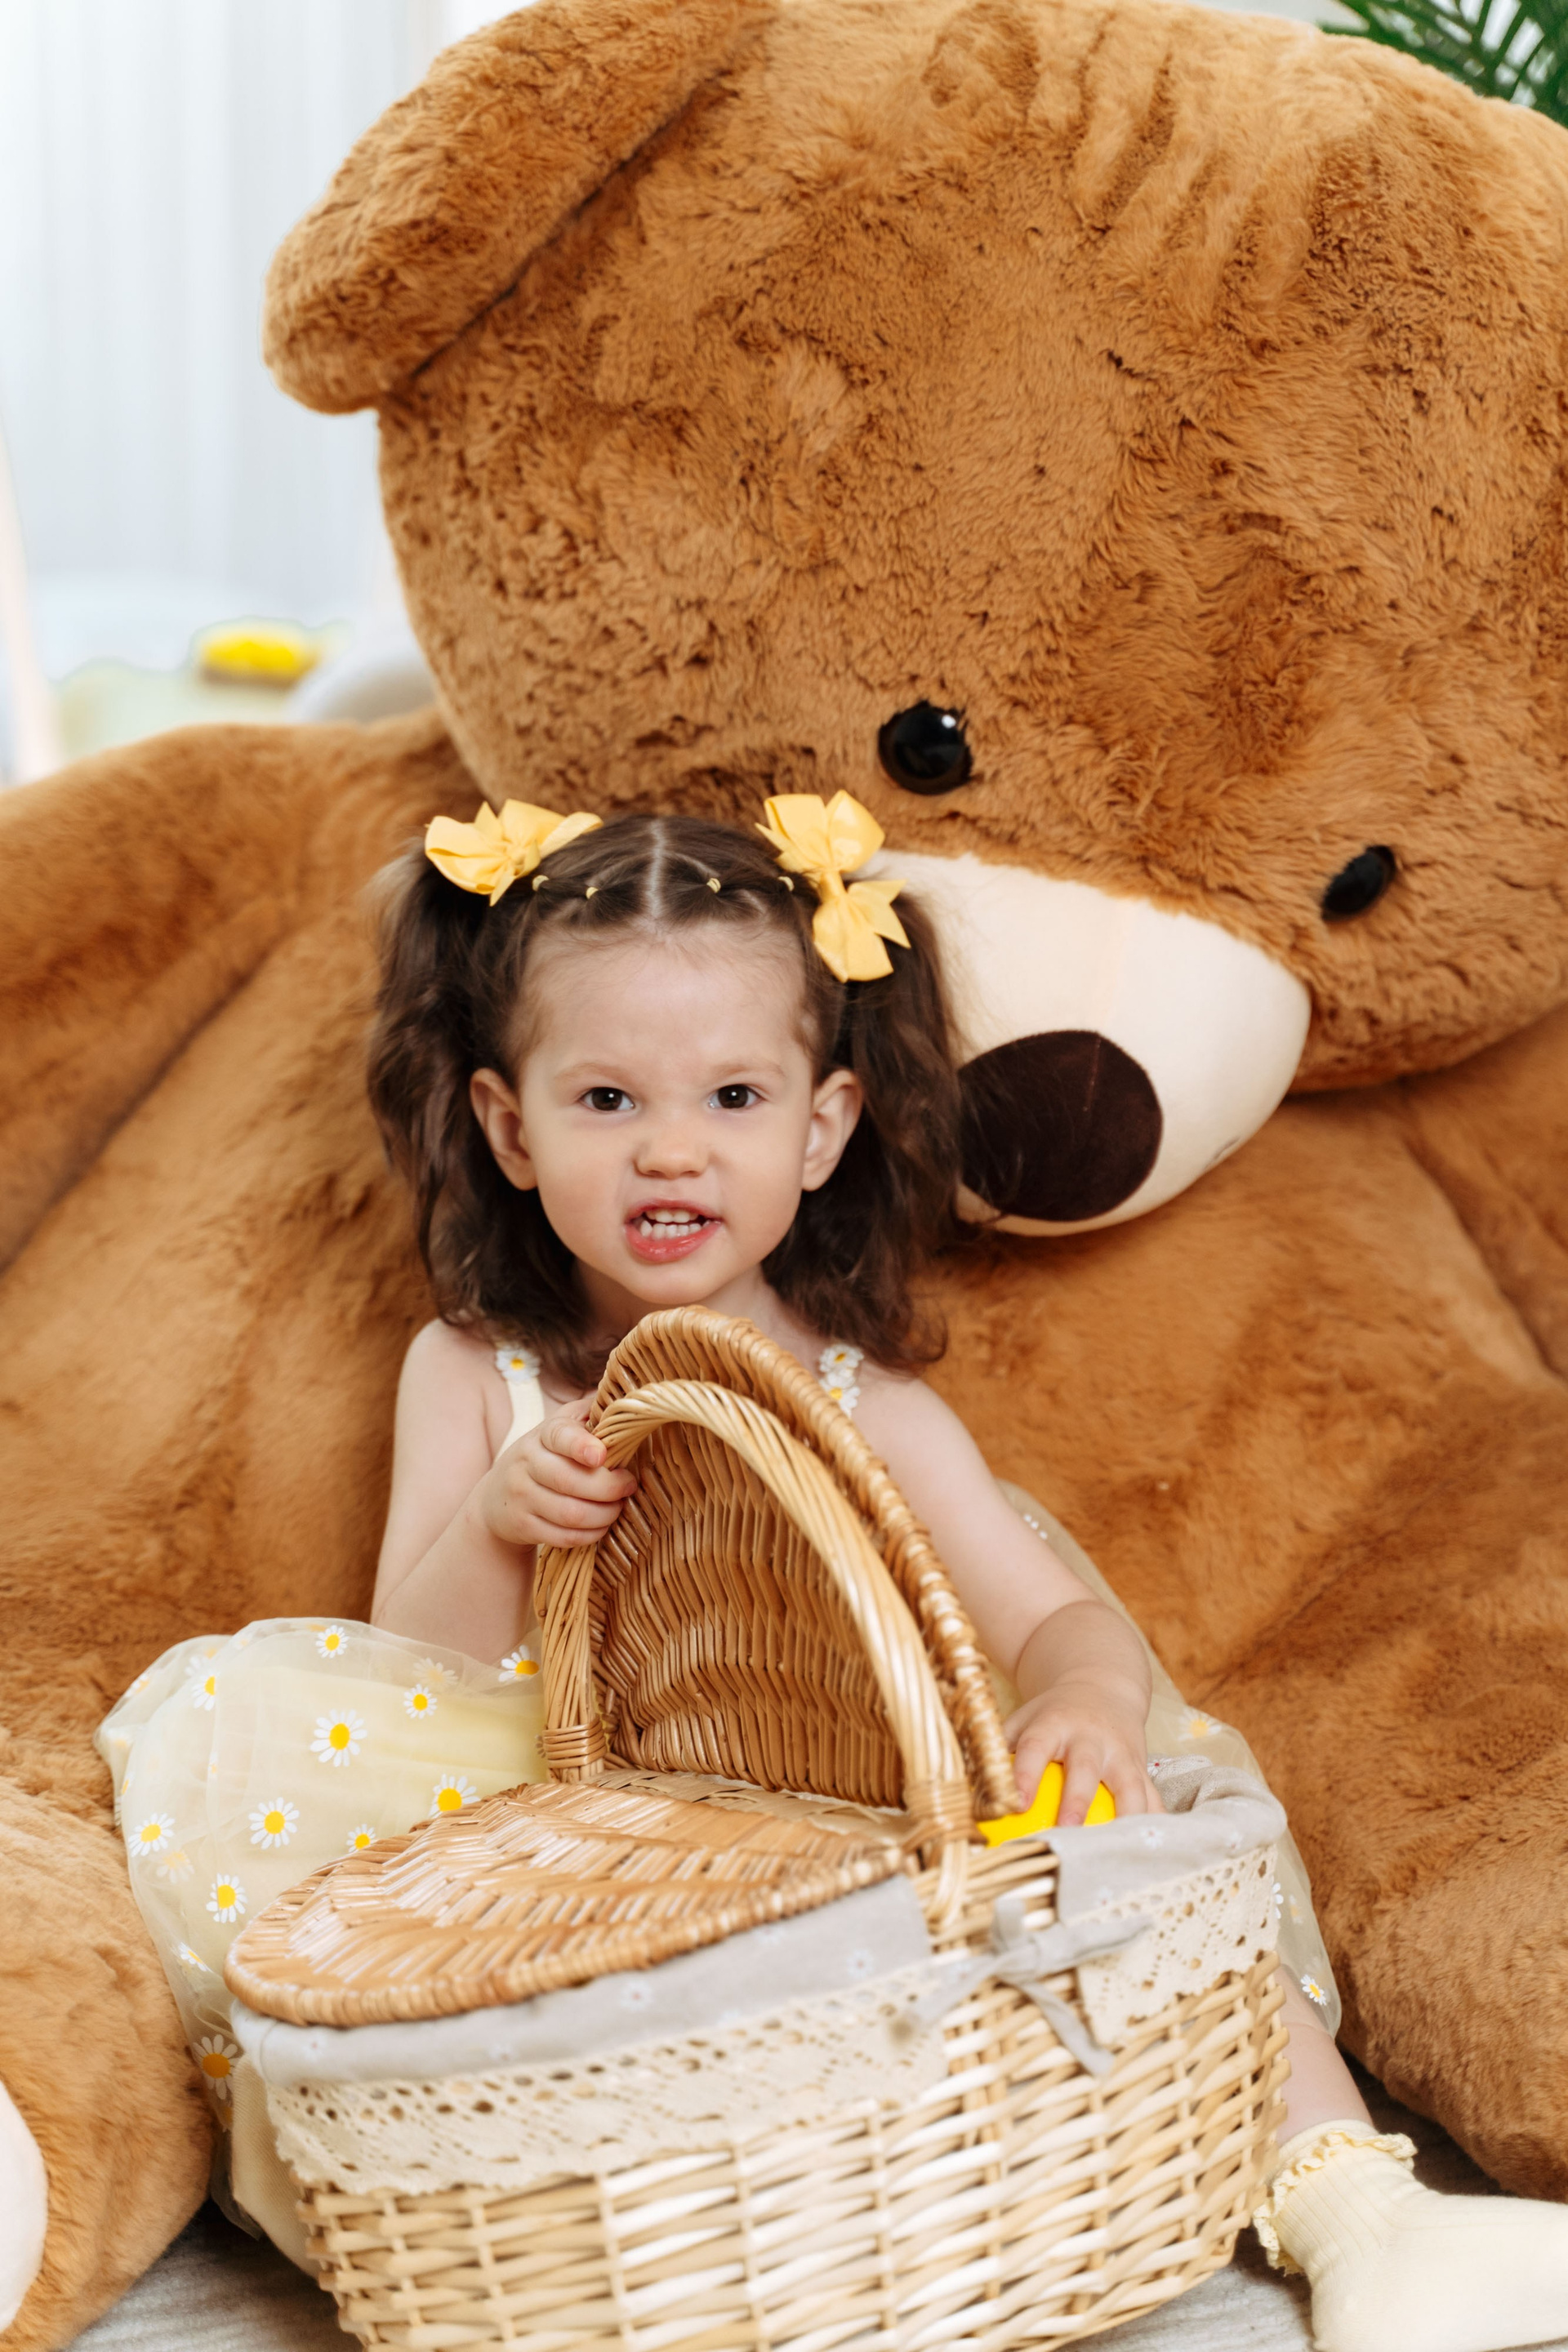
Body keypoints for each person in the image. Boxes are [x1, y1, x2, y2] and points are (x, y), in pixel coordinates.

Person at [99, 794, 1568, 2352]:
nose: (672, 1146)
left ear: (823, 1125)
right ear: (511, 1127)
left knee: (1135, 1857)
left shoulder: (875, 1407)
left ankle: (1360, 2213)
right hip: (559, 1835)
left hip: (858, 1804)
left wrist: (1086, 1704)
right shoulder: (477, 1373)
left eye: (735, 1094)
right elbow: (402, 1661)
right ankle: (599, 2225)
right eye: (606, 1097)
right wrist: (498, 1523)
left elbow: (1054, 1617)